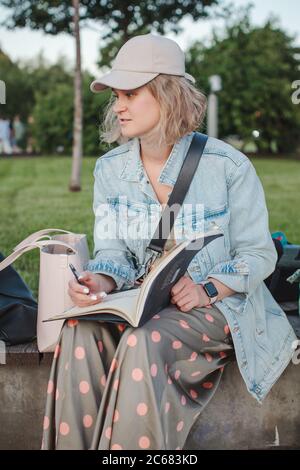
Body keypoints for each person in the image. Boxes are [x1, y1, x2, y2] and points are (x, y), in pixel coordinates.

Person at [42, 34, 297, 450]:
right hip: (140, 300)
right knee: (78, 329)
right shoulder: (109, 170)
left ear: (167, 94)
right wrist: (99, 283)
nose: (118, 106)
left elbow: (258, 253)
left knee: (146, 340)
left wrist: (208, 288)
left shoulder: (228, 166)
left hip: (219, 306)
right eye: (116, 96)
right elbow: (113, 252)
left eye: (130, 93)